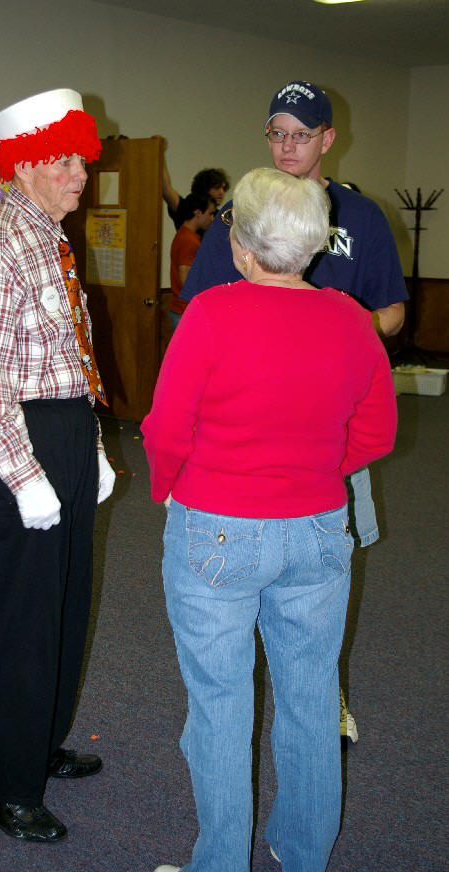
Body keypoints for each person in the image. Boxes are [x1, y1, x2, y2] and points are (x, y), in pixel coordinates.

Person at [142, 167, 397, 872]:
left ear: (243, 247)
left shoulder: (211, 314)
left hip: (216, 527)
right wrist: (313, 470)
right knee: (312, 697)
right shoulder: (352, 318)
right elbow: (376, 434)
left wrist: (168, 489)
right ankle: (302, 852)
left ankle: (222, 863)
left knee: (220, 701)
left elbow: (166, 429)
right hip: (318, 529)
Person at [180, 79, 409, 742]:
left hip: (328, 426)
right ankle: (245, 691)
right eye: (277, 133)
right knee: (234, 575)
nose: (287, 147)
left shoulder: (360, 216)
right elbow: (200, 308)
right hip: (244, 426)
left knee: (317, 573)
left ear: (327, 139)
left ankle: (323, 693)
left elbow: (393, 311)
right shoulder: (241, 212)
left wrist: (337, 333)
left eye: (301, 135)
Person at [0, 88, 115, 843]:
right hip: (16, 443)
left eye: (83, 159)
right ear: (23, 164)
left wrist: (92, 449)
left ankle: (38, 745)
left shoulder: (48, 236)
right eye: (64, 161)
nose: (81, 175)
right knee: (21, 620)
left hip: (63, 432)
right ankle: (4, 787)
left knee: (64, 608)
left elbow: (66, 357)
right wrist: (25, 475)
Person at [169, 193, 217, 329]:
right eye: (210, 214)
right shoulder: (188, 241)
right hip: (185, 312)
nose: (212, 219)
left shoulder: (184, 235)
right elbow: (186, 280)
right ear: (198, 213)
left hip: (183, 310)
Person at [161, 147, 229, 229]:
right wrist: (160, 151)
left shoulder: (220, 216)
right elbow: (166, 189)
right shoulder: (186, 207)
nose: (221, 192)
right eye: (216, 187)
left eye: (223, 188)